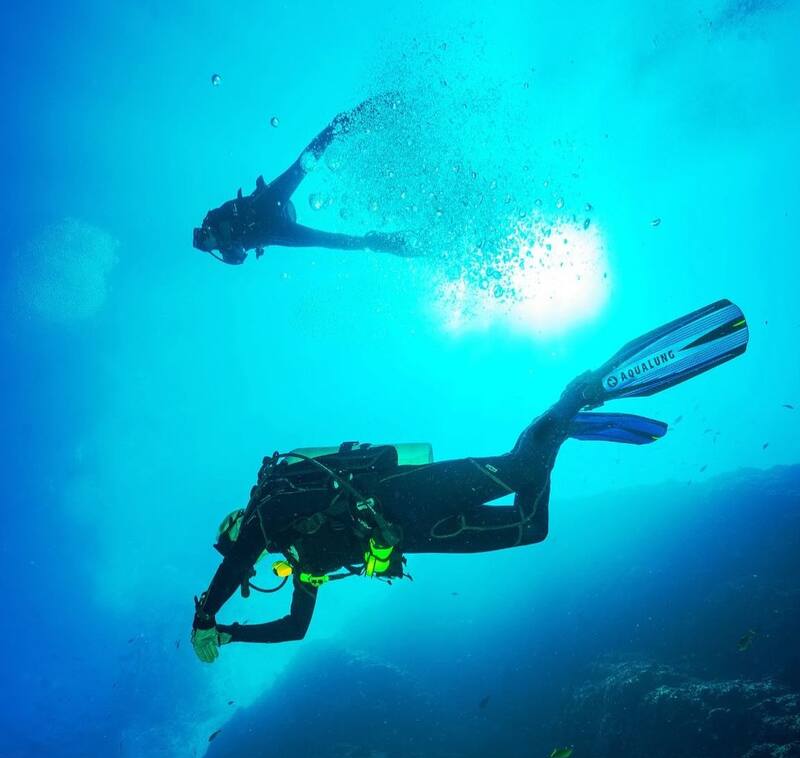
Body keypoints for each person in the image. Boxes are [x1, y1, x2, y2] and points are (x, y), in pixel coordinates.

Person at [191, 299, 749, 661]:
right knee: (532, 528)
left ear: (239, 520)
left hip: (404, 494)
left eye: (233, 534)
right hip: (417, 537)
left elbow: (237, 559)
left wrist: (204, 616)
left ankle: (574, 398)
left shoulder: (272, 506)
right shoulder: (302, 556)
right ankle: (560, 431)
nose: (244, 550)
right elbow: (296, 628)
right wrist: (229, 633)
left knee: (521, 468)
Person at [192, 96, 415, 265]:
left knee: (301, 166)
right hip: (272, 231)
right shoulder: (224, 252)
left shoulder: (214, 217)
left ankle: (342, 125)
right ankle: (381, 243)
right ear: (209, 249)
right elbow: (239, 259)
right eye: (205, 241)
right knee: (324, 240)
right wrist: (229, 244)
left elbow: (234, 207)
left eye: (203, 235)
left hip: (263, 206)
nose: (207, 236)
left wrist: (224, 227)